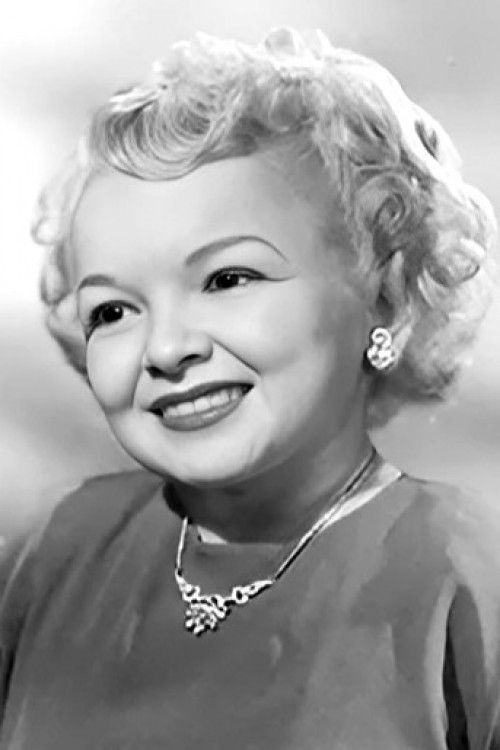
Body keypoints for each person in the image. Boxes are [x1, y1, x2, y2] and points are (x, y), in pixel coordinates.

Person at [1, 26, 499, 750]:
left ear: (384, 300)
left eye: (228, 278)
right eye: (111, 312)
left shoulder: (465, 577)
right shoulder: (56, 550)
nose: (165, 349)